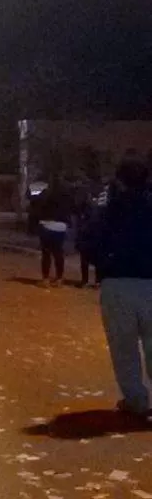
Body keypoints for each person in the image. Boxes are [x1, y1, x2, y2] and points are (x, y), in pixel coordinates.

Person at [94, 156, 152, 417]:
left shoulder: (110, 210)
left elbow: (88, 241)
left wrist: (104, 261)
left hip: (117, 281)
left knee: (124, 346)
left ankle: (136, 399)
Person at [37, 175, 74, 288]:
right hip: (61, 226)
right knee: (58, 253)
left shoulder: (46, 193)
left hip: (47, 224)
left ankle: (46, 279)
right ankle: (59, 279)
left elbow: (39, 206)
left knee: (46, 253)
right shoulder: (67, 195)